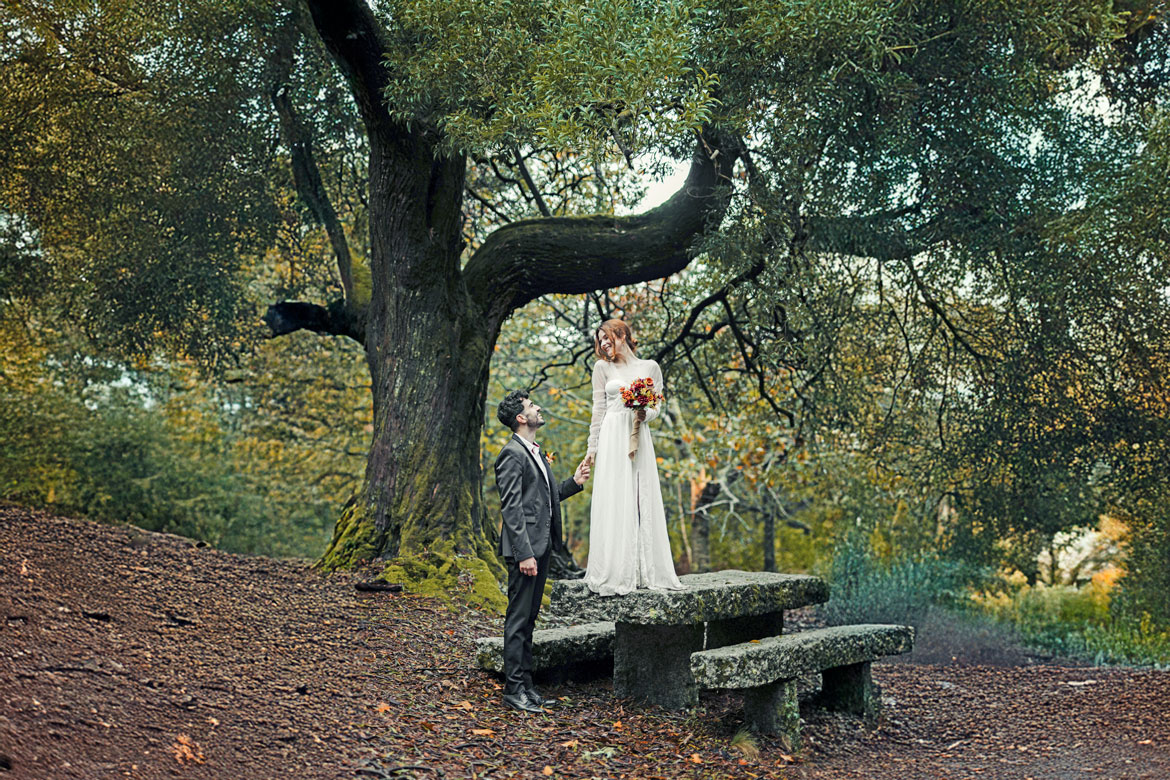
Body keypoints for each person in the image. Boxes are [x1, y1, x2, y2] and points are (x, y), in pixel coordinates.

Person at [494, 389, 590, 713]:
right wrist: (523, 554)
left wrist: (573, 483)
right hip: (525, 551)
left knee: (530, 620)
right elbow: (512, 509)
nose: (538, 408)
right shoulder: (512, 454)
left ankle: (526, 687)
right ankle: (512, 690)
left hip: (542, 547)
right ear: (521, 418)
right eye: (532, 406)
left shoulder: (534, 451)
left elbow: (542, 500)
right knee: (518, 620)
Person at [581, 319, 684, 596]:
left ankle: (645, 570)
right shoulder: (602, 368)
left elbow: (656, 408)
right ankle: (615, 569)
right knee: (615, 498)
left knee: (642, 496)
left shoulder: (650, 367)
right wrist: (592, 449)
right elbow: (598, 410)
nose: (603, 343)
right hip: (612, 435)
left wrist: (643, 412)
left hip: (638, 435)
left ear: (623, 334)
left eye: (607, 337)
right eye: (599, 340)